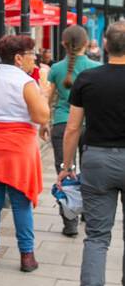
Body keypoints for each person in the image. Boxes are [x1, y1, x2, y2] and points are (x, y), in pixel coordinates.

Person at [56, 22, 125, 286]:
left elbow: (72, 128)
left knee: (97, 237)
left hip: (97, 160)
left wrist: (67, 166)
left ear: (104, 46)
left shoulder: (88, 78)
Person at [0, 34, 49, 273]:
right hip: (17, 145)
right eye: (31, 55)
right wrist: (44, 90)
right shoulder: (26, 82)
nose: (34, 60)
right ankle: (27, 256)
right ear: (18, 58)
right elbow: (41, 116)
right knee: (21, 202)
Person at [47, 25, 98, 236]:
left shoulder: (56, 69)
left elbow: (48, 101)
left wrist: (43, 124)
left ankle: (70, 223)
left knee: (65, 172)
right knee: (89, 171)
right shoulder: (96, 67)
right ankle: (88, 213)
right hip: (89, 126)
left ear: (63, 44)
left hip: (61, 124)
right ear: (86, 43)